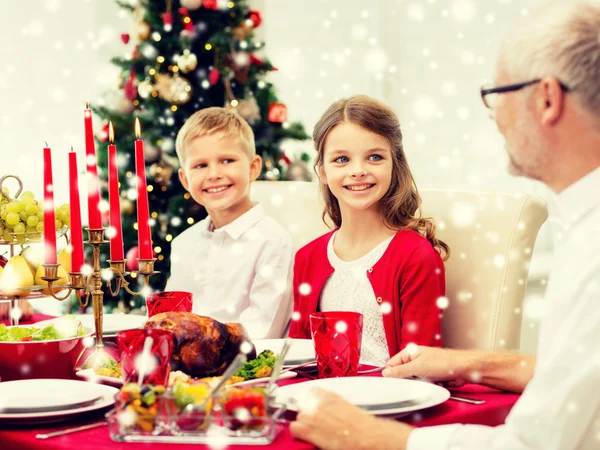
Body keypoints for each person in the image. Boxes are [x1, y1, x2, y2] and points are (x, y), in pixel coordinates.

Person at [290, 1, 600, 449]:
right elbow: (566, 371)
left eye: (498, 93)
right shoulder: (580, 225)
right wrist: (457, 362)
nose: (493, 115)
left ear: (547, 98)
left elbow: (535, 444)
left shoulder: (591, 248)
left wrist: (372, 437)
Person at [289, 95, 449, 366]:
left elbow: (420, 369)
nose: (358, 171)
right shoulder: (307, 258)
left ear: (394, 165)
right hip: (321, 400)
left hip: (389, 402)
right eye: (341, 159)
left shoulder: (416, 257)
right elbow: (297, 358)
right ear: (322, 171)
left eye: (375, 157)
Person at [165, 107, 293, 339]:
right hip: (186, 370)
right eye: (201, 165)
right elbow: (173, 319)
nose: (214, 174)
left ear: (253, 168)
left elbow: (262, 331)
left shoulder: (273, 242)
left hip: (247, 370)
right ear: (185, 179)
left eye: (227, 160)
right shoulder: (184, 243)